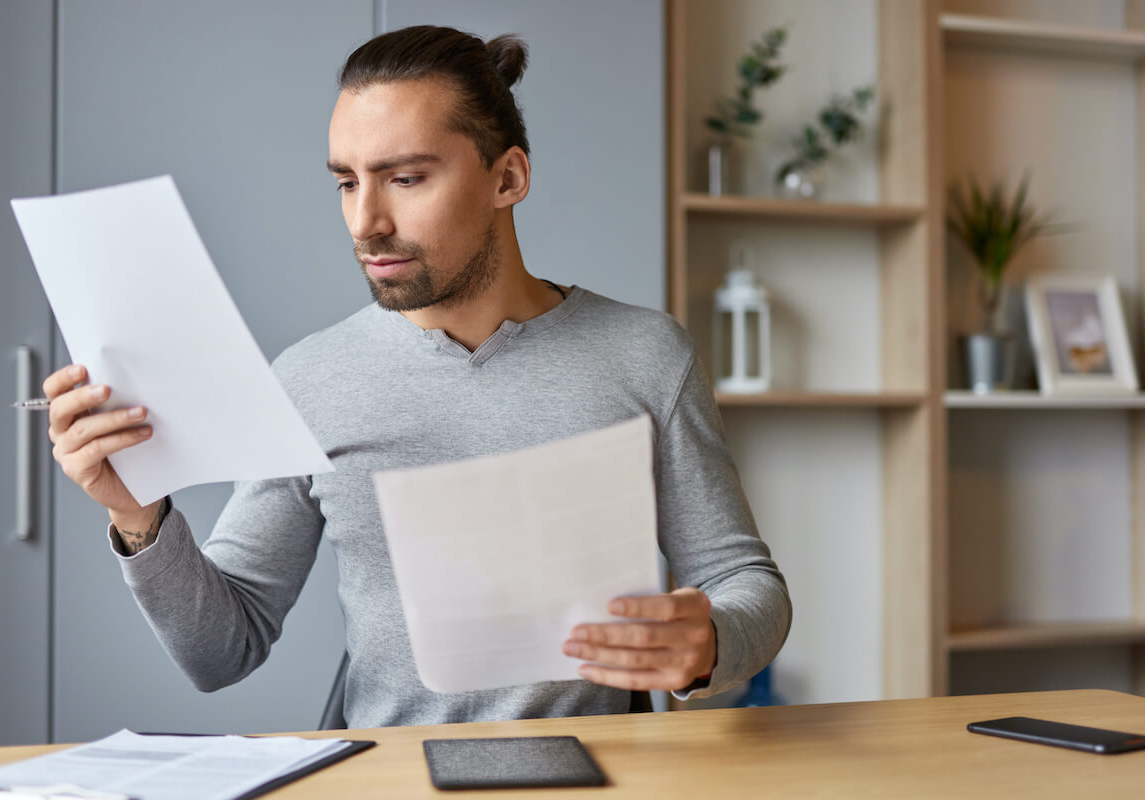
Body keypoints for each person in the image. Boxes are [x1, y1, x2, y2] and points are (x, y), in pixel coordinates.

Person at [41, 25, 791, 727]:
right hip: (385, 779)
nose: (366, 221)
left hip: (598, 776)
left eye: (404, 178)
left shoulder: (646, 355)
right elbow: (219, 651)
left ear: (509, 178)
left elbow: (747, 584)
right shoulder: (311, 379)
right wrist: (139, 517)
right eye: (345, 183)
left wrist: (711, 643)